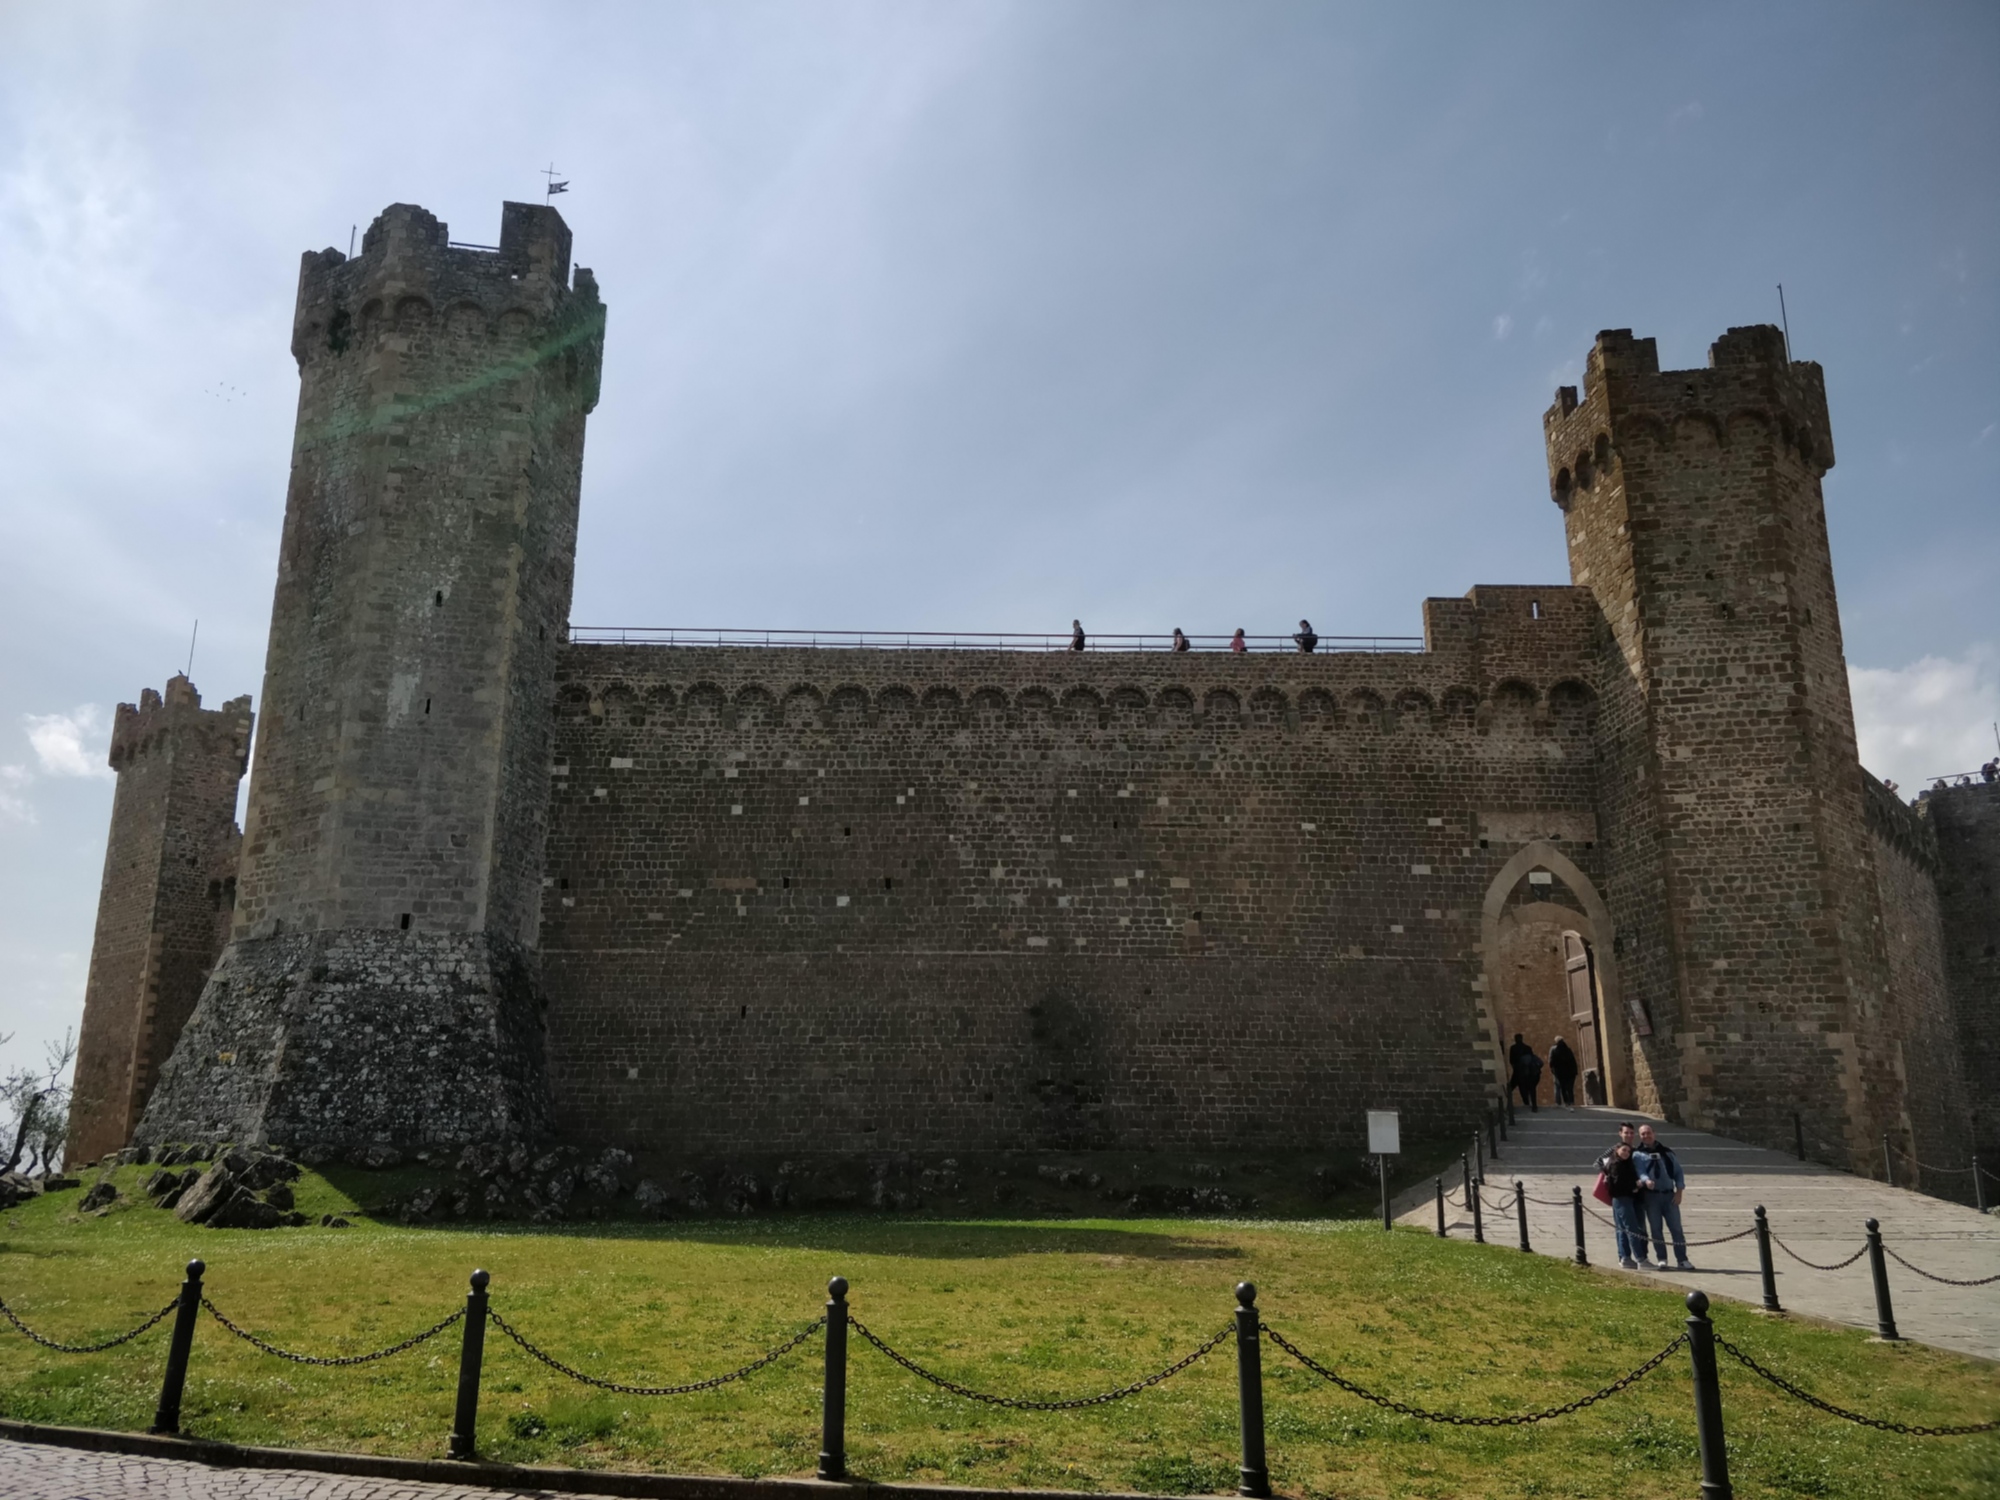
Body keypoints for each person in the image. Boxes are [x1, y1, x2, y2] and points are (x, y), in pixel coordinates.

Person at [1636, 1123, 1692, 1269]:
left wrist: (1679, 1191)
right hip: (1651, 1197)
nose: (1646, 1136)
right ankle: (1662, 1258)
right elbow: (1640, 1171)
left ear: (1654, 1133)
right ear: (1640, 1136)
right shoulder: (1638, 1154)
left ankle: (1682, 1259)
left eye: (1648, 1133)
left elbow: (1678, 1172)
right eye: (1643, 1134)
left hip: (1669, 1195)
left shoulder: (1667, 1152)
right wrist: (1645, 1180)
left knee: (1676, 1229)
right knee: (1656, 1229)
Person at [1598, 1139, 1645, 1269]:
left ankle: (1625, 1258)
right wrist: (1635, 1186)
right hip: (1623, 1199)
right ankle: (1640, 1258)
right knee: (1632, 1229)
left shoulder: (1620, 1163)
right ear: (1616, 1150)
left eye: (1629, 1151)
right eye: (1624, 1150)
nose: (1626, 1153)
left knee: (1622, 1230)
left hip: (1619, 1199)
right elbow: (1619, 1184)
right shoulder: (1617, 1165)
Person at [1507, 1033, 1541, 1111]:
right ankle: (1534, 1106)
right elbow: (1532, 1058)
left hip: (1518, 1071)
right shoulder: (1528, 1048)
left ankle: (1509, 1105)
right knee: (1531, 1088)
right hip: (1530, 1071)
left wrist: (1515, 1067)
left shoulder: (1513, 1048)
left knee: (1512, 1087)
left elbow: (1511, 1060)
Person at [1548, 1035, 1578, 1108]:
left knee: (1559, 1087)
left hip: (1559, 1072)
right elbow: (1573, 1061)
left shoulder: (1553, 1049)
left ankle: (1559, 1102)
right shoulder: (1568, 1049)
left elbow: (1551, 1061)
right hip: (1570, 1072)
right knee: (1569, 1088)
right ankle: (1571, 1101)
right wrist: (1575, 1071)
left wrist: (1552, 1069)